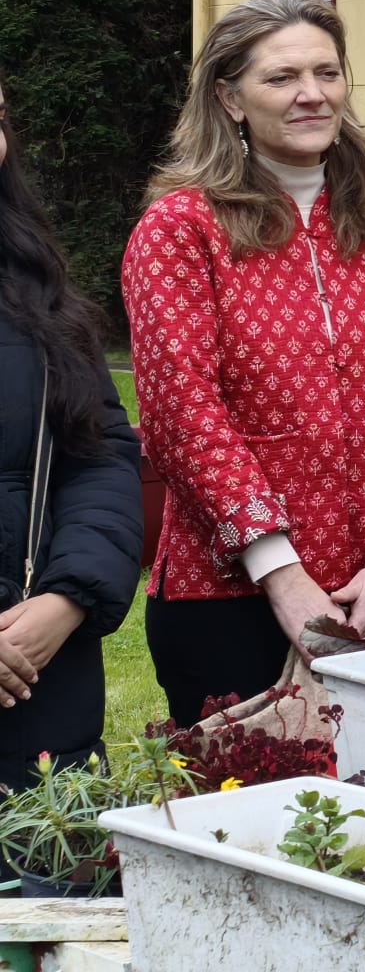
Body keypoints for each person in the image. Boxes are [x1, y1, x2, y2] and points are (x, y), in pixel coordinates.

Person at [123, 0, 365, 727]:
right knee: (255, 819)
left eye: (327, 72)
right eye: (281, 78)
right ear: (228, 98)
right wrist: (281, 574)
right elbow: (184, 415)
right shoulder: (181, 230)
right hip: (230, 598)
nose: (312, 94)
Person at [0, 75, 144, 787]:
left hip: (41, 686)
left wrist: (67, 598)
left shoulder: (40, 297)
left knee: (51, 891)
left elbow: (99, 456)